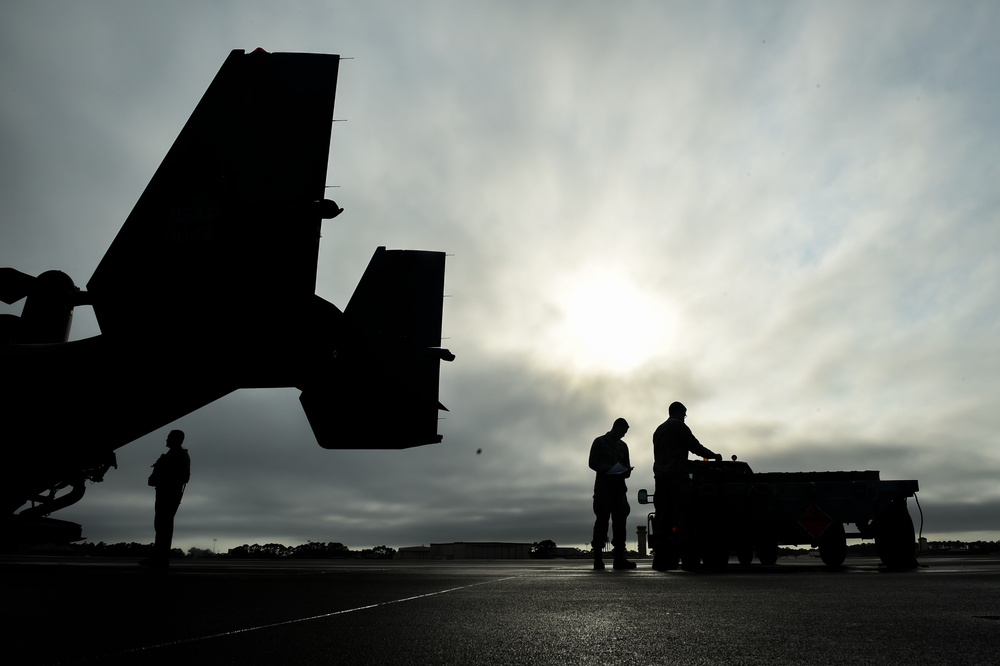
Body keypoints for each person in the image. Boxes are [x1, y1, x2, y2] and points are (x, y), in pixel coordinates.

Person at [651, 401, 721, 571]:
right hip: (677, 479)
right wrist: (713, 456)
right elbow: (694, 446)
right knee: (684, 518)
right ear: (678, 412)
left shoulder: (658, 430)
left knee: (662, 520)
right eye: (684, 414)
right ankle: (689, 560)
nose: (685, 417)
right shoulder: (679, 427)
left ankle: (661, 561)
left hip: (660, 478)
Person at [589, 417, 636, 570]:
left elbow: (627, 466)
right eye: (623, 431)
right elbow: (592, 463)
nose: (624, 435)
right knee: (602, 523)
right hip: (603, 490)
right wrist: (609, 469)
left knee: (620, 525)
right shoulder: (599, 442)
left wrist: (626, 471)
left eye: (626, 432)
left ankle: (619, 559)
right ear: (616, 428)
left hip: (619, 491)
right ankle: (597, 559)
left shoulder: (623, 446)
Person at [141, 429, 191, 567]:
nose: (166, 440)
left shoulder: (178, 455)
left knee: (164, 527)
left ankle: (160, 560)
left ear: (176, 440)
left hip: (169, 494)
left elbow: (184, 477)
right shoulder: (173, 455)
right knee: (161, 526)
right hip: (165, 493)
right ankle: (159, 558)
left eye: (169, 438)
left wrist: (163, 478)